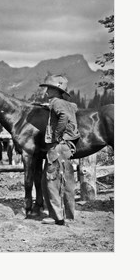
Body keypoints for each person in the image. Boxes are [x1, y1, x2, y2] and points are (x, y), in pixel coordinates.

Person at [39, 75, 80, 226]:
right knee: (65, 180)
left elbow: (62, 116)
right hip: (67, 146)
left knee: (51, 180)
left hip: (58, 146)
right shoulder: (68, 104)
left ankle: (56, 217)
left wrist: (57, 134)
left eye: (49, 88)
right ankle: (68, 215)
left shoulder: (56, 102)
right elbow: (71, 109)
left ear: (56, 90)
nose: (47, 91)